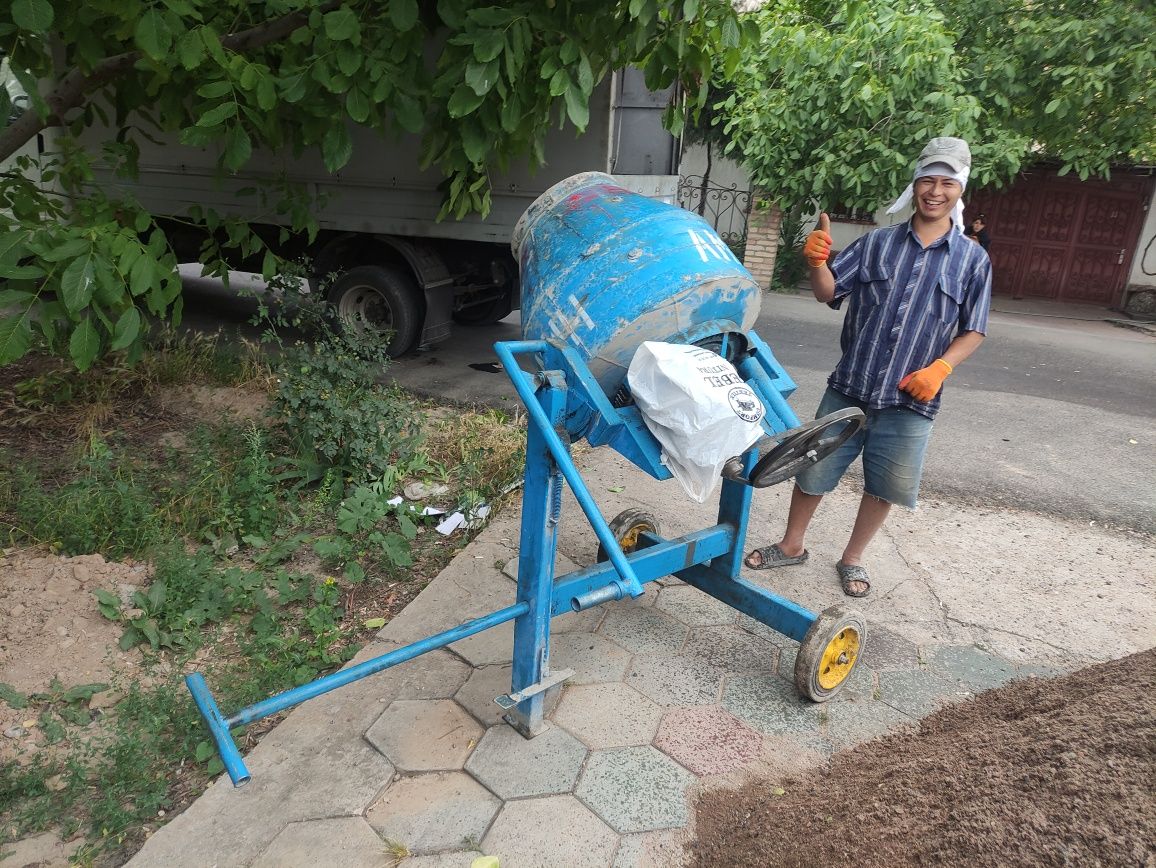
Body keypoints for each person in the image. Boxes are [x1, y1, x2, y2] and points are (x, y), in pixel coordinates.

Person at [744, 137, 992, 597]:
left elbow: (973, 329)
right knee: (812, 469)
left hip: (910, 401)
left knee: (884, 487)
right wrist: (818, 261)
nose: (935, 191)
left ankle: (852, 559)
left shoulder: (973, 260)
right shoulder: (877, 243)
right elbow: (827, 292)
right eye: (927, 180)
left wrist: (940, 368)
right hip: (850, 386)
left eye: (947, 183)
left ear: (960, 191)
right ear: (915, 185)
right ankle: (792, 545)